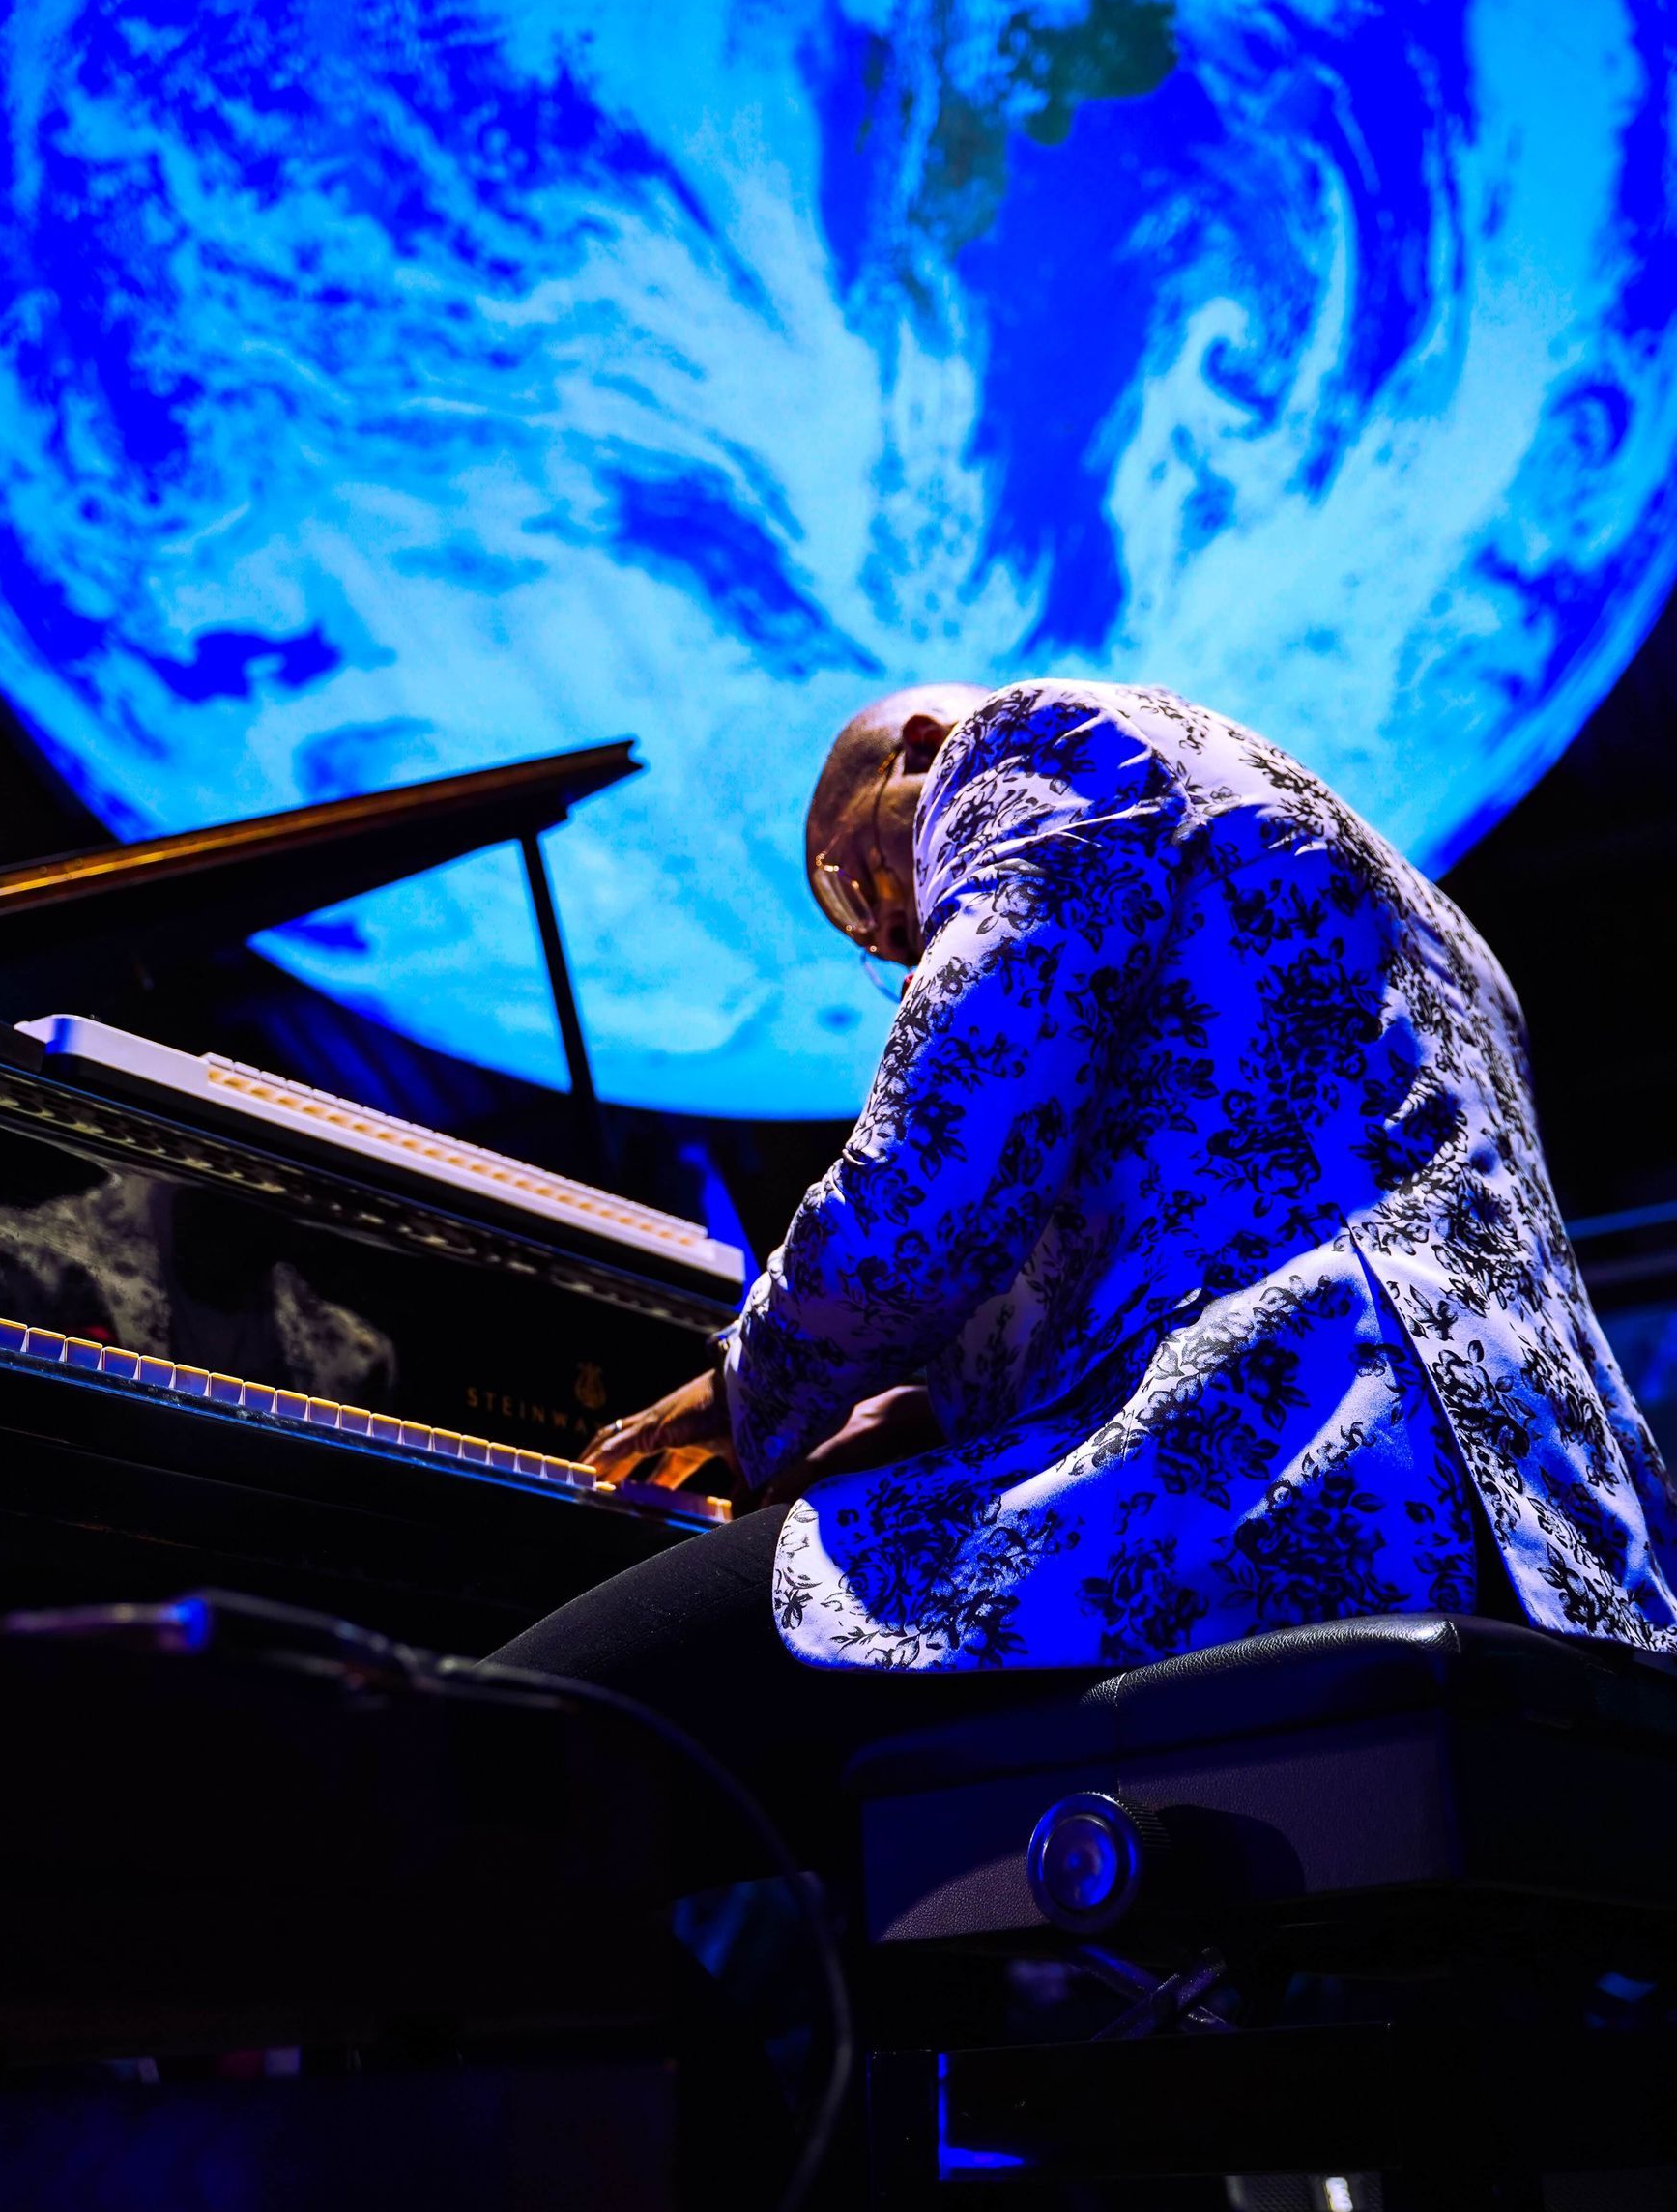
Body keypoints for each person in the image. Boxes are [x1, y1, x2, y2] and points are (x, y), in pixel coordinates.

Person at [495, 675, 1677, 1829]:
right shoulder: (1439, 926)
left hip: (1286, 1459)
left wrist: (748, 1386)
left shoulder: (1031, 745)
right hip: (1557, 1546)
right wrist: (928, 1407)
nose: (895, 943)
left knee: (555, 1727)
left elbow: (947, 1157)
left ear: (914, 747)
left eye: (855, 886)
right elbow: (1221, 1207)